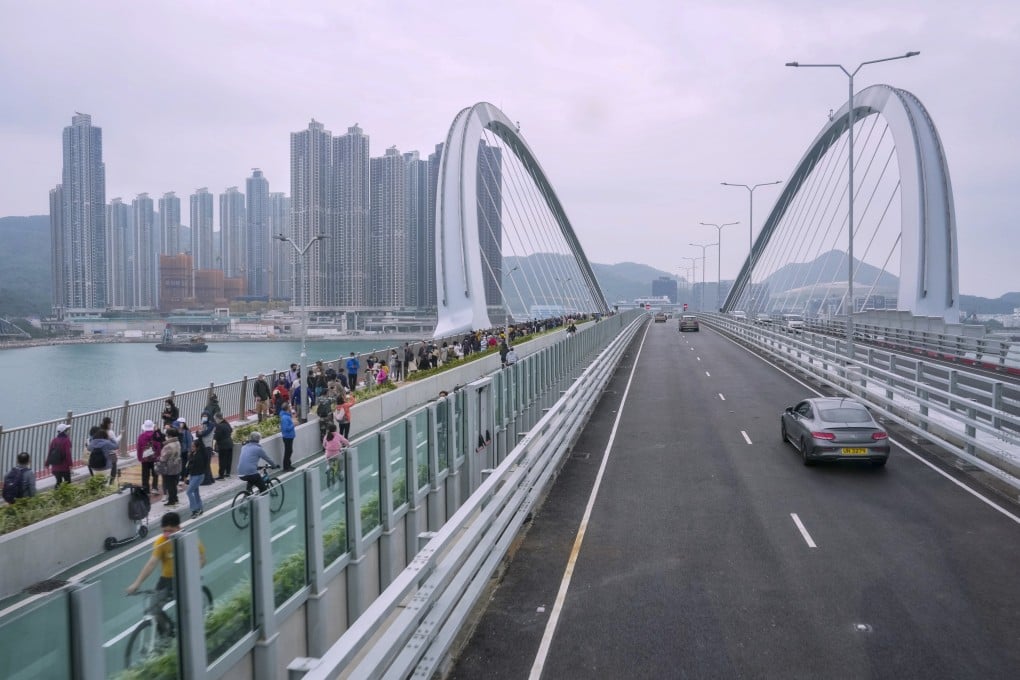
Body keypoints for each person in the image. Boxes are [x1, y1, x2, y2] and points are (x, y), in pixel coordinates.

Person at [125, 512, 206, 619]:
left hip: (184, 577)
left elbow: (202, 559)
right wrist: (137, 583)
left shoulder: (189, 539)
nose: (167, 534)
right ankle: (167, 631)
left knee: (186, 610)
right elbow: (152, 563)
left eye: (170, 531)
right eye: (164, 531)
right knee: (154, 609)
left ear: (178, 528)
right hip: (166, 579)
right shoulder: (161, 542)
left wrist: (191, 574)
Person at [185, 434, 209, 518]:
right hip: (193, 475)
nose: (191, 448)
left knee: (189, 492)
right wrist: (186, 475)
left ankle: (194, 510)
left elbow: (192, 466)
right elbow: (188, 465)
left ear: (198, 447)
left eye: (193, 446)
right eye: (191, 446)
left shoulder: (200, 455)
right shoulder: (192, 454)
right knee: (195, 492)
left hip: (198, 476)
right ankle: (200, 508)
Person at [137, 419, 163, 495]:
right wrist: (158, 455)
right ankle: (154, 487)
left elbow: (139, 448)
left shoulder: (141, 436)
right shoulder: (156, 435)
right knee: (155, 473)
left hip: (145, 459)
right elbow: (159, 446)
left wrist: (139, 457)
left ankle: (146, 489)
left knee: (145, 474)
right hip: (155, 458)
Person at [159, 428, 183, 507]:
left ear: (169, 435)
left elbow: (163, 458)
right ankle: (175, 498)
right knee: (173, 484)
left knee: (169, 485)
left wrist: (160, 458)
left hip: (169, 467)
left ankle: (171, 500)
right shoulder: (177, 442)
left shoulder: (168, 446)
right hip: (176, 465)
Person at [47, 423, 74, 487]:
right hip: (64, 467)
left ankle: (56, 495)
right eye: (67, 430)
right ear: (64, 431)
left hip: (55, 468)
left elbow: (50, 452)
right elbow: (68, 454)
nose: (68, 431)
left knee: (58, 482)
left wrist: (47, 463)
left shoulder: (54, 440)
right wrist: (70, 464)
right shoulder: (66, 440)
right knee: (68, 483)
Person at [195, 412, 216, 486]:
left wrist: (200, 432)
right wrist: (199, 432)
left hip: (208, 446)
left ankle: (206, 480)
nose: (204, 417)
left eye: (205, 416)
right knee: (206, 463)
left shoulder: (211, 424)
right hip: (202, 446)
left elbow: (206, 433)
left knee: (206, 463)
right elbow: (197, 434)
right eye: (203, 416)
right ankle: (210, 478)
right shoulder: (202, 424)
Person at [213, 413, 234, 480]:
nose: (215, 420)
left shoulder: (219, 426)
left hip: (223, 445)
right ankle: (228, 473)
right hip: (230, 443)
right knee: (228, 459)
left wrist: (214, 436)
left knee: (222, 460)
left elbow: (217, 436)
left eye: (215, 419)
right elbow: (231, 430)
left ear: (218, 418)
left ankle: (221, 475)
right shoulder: (227, 423)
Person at [174, 418, 193, 486]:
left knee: (183, 465)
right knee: (179, 465)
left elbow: (189, 442)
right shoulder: (176, 431)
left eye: (181, 423)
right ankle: (180, 477)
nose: (180, 424)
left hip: (184, 451)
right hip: (178, 450)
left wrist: (189, 450)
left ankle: (182, 478)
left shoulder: (186, 431)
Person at [279, 402, 296, 471]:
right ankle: (286, 467)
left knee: (289, 451)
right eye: (289, 407)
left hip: (289, 436)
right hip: (287, 436)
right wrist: (293, 424)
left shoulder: (286, 416)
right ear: (287, 408)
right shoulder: (285, 417)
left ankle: (288, 465)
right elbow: (286, 428)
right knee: (288, 451)